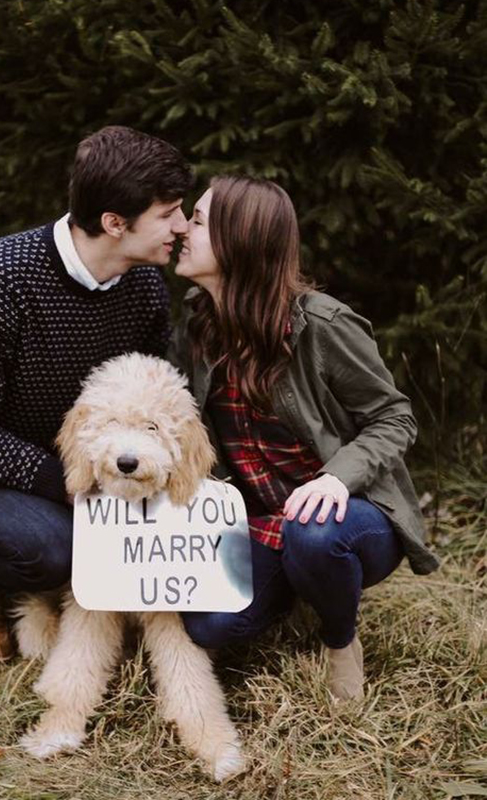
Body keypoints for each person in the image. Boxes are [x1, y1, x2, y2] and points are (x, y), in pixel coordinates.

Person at [0, 125, 192, 664]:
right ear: (114, 223)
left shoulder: (145, 286)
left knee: (117, 537)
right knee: (57, 550)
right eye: (169, 213)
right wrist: (75, 484)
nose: (181, 226)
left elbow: (148, 398)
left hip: (75, 465)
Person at [170, 175, 439, 701]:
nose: (183, 229)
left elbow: (395, 416)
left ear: (237, 239)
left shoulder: (323, 325)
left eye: (198, 220)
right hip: (261, 520)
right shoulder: (199, 327)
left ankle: (340, 639)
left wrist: (338, 479)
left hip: (353, 516)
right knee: (210, 628)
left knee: (312, 534)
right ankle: (300, 583)